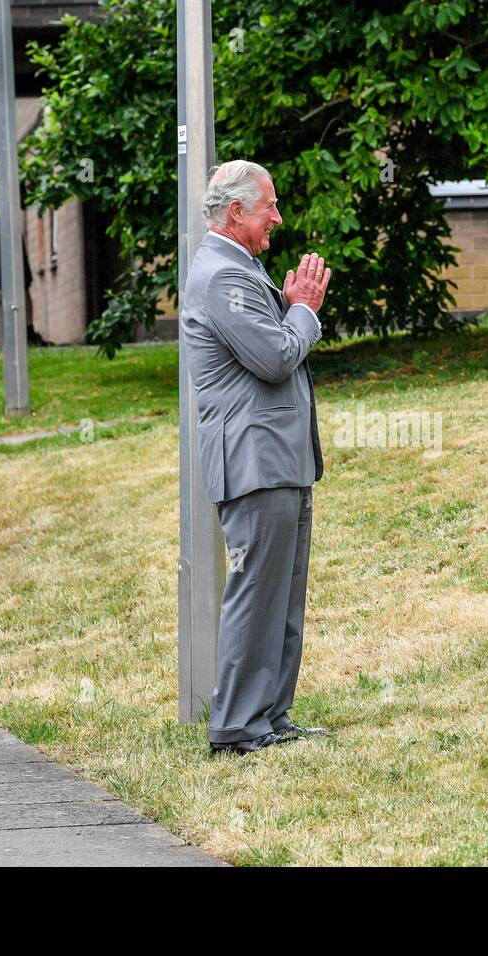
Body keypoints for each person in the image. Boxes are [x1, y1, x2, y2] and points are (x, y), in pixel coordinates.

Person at [180, 160, 331, 754]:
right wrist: (303, 309)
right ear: (236, 211)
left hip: (277, 458)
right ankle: (237, 726)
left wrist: (292, 306)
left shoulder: (241, 268)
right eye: (269, 205)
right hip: (253, 459)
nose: (278, 216)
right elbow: (274, 356)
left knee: (283, 592)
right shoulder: (222, 275)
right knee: (256, 590)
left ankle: (269, 716)